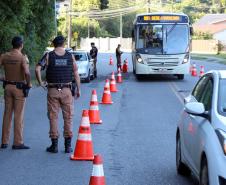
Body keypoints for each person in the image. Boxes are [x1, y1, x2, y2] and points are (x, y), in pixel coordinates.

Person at [35, 36, 81, 153]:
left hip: (52, 90)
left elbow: (37, 69)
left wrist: (40, 83)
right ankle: (67, 146)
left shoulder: (48, 56)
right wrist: (78, 89)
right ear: (63, 44)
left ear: (54, 44)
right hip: (67, 90)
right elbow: (76, 73)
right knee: (68, 117)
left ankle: (54, 146)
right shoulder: (70, 56)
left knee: (53, 117)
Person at [0, 36, 32, 150]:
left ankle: (4, 142)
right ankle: (17, 142)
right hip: (19, 88)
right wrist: (28, 84)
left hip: (8, 87)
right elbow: (27, 73)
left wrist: (3, 78)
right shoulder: (22, 57)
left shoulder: (4, 56)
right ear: (21, 45)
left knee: (7, 114)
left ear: (12, 45)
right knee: (18, 115)